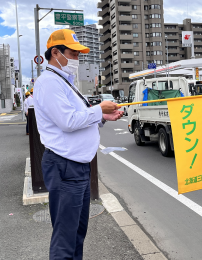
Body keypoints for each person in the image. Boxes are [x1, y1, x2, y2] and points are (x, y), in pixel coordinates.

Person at [33, 29, 123, 260]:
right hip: (65, 167)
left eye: (78, 55)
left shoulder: (64, 82)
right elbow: (68, 121)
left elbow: (79, 120)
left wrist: (103, 117)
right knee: (66, 237)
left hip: (77, 167)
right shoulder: (50, 82)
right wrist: (98, 110)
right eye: (73, 54)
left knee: (76, 234)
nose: (77, 59)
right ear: (56, 52)